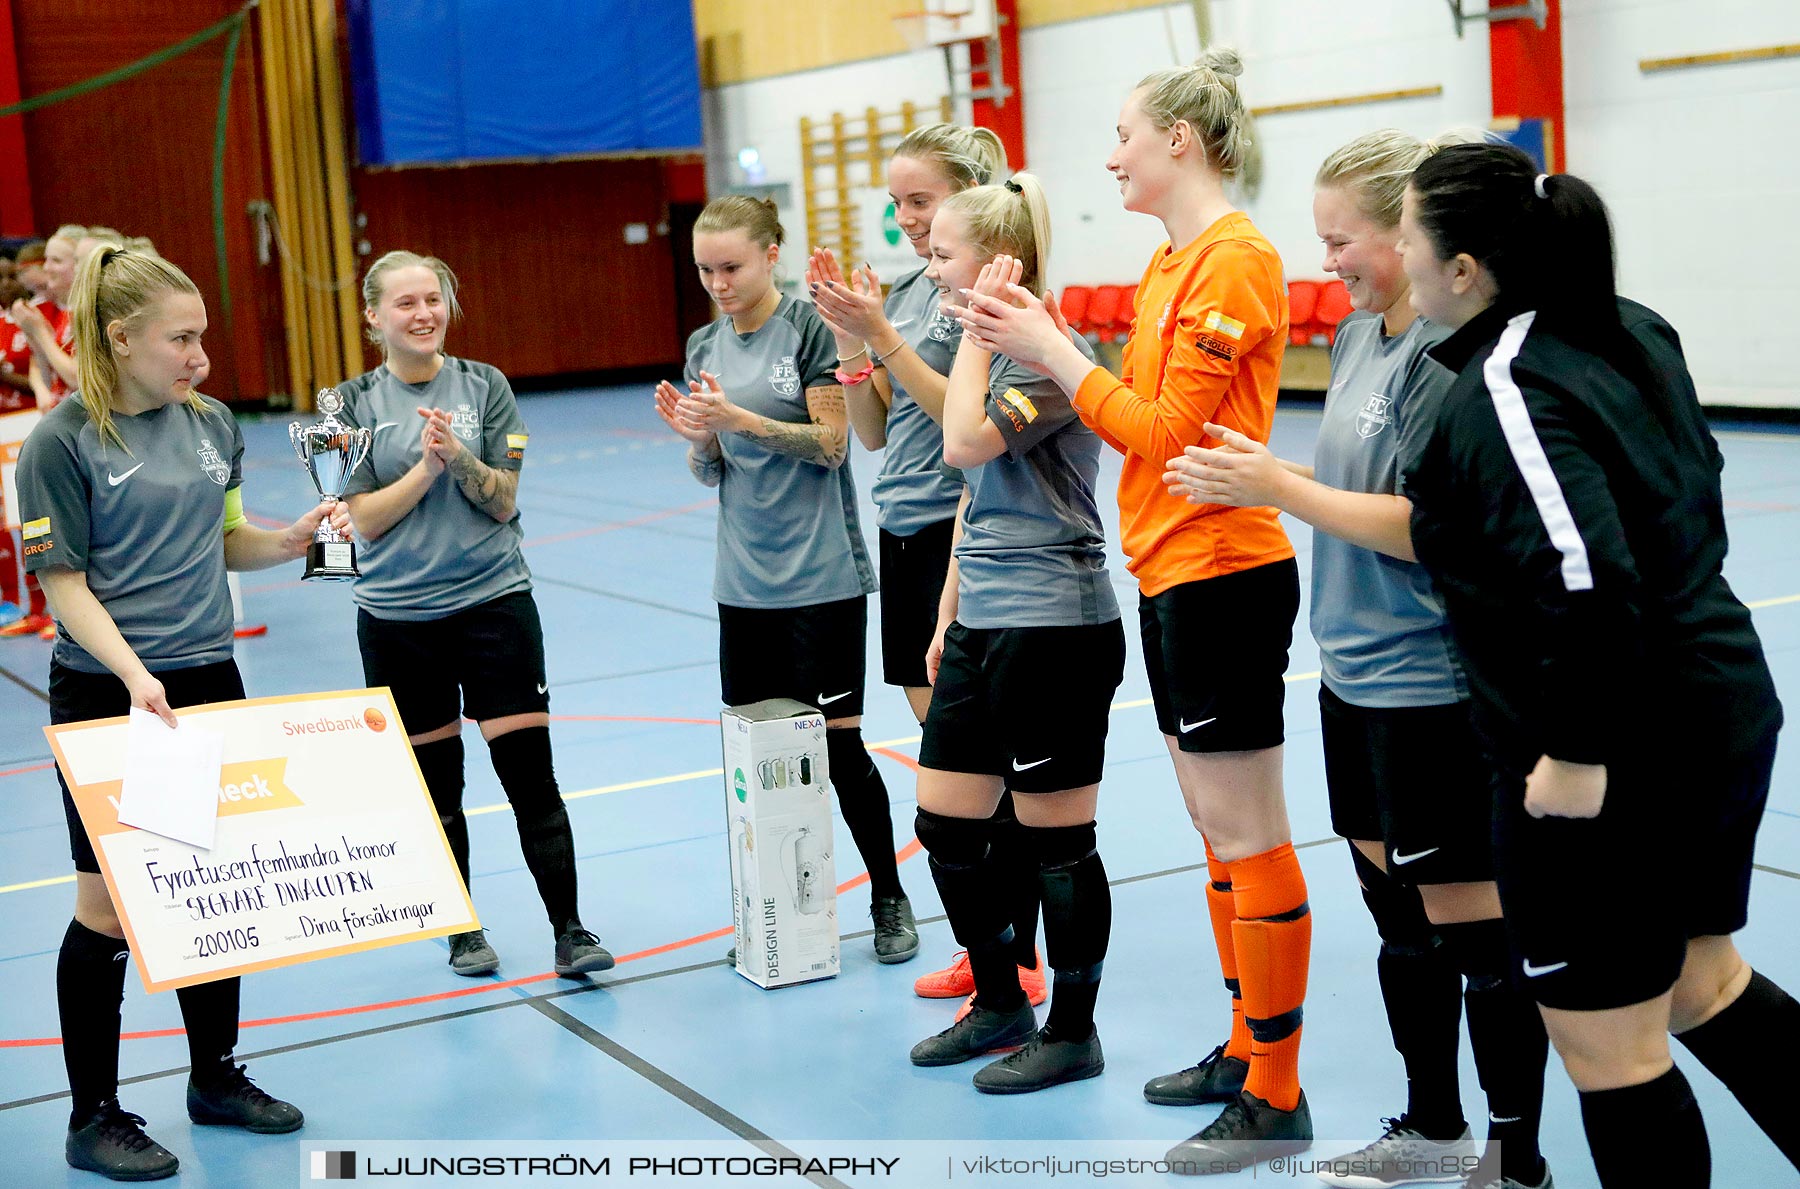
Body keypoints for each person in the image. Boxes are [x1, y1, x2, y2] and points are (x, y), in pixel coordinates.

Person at [1395, 141, 1800, 1187]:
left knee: (1608, 1048)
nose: (1396, 250)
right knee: (1700, 983)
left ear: (1466, 268)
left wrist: (1573, 751)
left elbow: (1586, 575)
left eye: (1405, 232)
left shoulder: (1510, 383)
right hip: (1712, 704)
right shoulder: (1630, 329)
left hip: (1613, 749)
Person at [1166, 130, 1551, 1189]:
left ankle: (1518, 1156)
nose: (1328, 259)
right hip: (1355, 679)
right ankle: (1428, 1129)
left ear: (1412, 234)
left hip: (1435, 686)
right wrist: (1273, 471)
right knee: (1399, 926)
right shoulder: (1353, 340)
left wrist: (1276, 490)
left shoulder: (1451, 360)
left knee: (1474, 935)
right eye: (1322, 237)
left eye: (1347, 239)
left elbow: (1435, 527)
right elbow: (1346, 483)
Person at [953, 49, 1311, 1165]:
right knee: (1216, 831)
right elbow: (1142, 416)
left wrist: (1050, 346)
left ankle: (1277, 1090)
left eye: (1122, 133)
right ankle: (1248, 1046)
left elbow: (1158, 431)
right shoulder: (1167, 264)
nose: (1108, 154)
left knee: (1248, 831)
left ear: (1180, 142)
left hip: (1224, 573)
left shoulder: (1238, 260)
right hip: (1167, 571)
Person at [16, 246, 345, 1181]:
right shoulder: (63, 441)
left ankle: (215, 1074)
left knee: (207, 885)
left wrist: (292, 540)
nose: (200, 354)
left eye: (201, 335)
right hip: (112, 690)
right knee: (112, 904)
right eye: (181, 338)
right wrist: (132, 676)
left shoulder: (211, 425)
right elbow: (65, 584)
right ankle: (93, 1115)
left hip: (205, 678)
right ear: (120, 339)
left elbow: (225, 538)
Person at [805, 124, 1045, 1013]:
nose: (905, 218)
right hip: (901, 527)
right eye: (897, 202)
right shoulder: (907, 291)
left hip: (959, 524)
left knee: (985, 767)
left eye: (923, 200)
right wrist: (852, 339)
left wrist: (887, 340)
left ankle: (1015, 959)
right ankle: (992, 952)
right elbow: (870, 431)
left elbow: (964, 419)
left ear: (973, 193)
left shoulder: (972, 302)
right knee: (958, 762)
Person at [655, 195, 919, 964]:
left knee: (838, 750)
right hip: (743, 584)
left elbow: (835, 443)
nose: (718, 282)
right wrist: (700, 438)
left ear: (772, 254)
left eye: (731, 266)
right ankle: (778, 916)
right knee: (759, 764)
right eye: (705, 269)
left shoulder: (806, 329)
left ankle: (887, 896)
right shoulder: (704, 341)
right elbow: (713, 469)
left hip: (819, 580)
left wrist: (739, 421)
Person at [338, 250, 613, 980]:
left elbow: (505, 499)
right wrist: (424, 468)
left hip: (494, 605)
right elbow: (363, 521)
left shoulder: (487, 386)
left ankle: (571, 928)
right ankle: (461, 929)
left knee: (531, 776)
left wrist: (458, 456)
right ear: (374, 316)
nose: (423, 313)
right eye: (405, 303)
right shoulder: (346, 407)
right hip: (399, 621)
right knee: (438, 788)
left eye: (433, 299)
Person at [905, 175, 1124, 1094]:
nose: (928, 259)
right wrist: (951, 602)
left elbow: (961, 444)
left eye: (945, 252)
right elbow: (971, 496)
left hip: (1055, 623)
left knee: (1057, 843)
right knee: (945, 824)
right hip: (986, 619)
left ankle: (1074, 1029)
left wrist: (971, 329)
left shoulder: (1041, 360)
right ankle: (1001, 999)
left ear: (998, 266)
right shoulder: (992, 355)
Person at [4, 227, 82, 639]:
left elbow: (73, 373)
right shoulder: (50, 310)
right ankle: (40, 609)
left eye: (56, 260)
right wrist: (39, 388)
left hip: (81, 432)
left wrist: (40, 336)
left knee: (68, 525)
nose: (46, 269)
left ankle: (67, 615)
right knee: (32, 519)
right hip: (50, 425)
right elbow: (43, 365)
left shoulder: (80, 315)